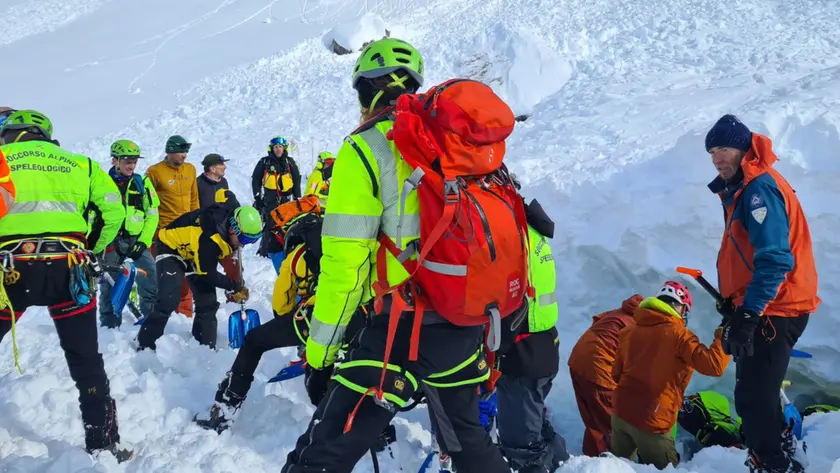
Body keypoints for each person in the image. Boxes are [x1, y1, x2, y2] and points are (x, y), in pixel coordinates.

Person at [281, 38, 511, 473]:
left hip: (397, 331)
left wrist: (320, 354)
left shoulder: (365, 148)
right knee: (470, 446)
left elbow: (345, 266)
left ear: (365, 91)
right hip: (464, 323)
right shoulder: (457, 145)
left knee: (322, 454)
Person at [0, 110, 133, 461]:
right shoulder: (82, 164)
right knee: (86, 359)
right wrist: (89, 247)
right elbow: (114, 213)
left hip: (10, 270)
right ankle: (102, 443)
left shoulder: (2, 159)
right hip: (69, 269)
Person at [705, 114, 819, 473]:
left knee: (754, 400)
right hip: (768, 304)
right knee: (757, 397)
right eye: (712, 151)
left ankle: (776, 464)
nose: (717, 158)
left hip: (776, 307)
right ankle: (776, 453)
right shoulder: (744, 187)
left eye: (724, 148)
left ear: (742, 149)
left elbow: (774, 260)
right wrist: (736, 300)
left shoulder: (758, 190)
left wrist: (750, 312)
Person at [195, 197, 367, 432]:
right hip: (361, 316)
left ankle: (227, 405)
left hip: (318, 319)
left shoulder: (296, 256)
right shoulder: (344, 242)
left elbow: (282, 304)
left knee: (254, 341)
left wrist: (289, 323)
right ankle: (378, 435)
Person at [610, 281, 729, 470]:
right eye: (685, 310)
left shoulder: (628, 332)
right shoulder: (680, 335)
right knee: (666, 470)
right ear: (679, 307)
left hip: (621, 416)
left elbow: (615, 374)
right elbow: (714, 365)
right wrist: (724, 334)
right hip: (652, 424)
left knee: (615, 468)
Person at [494, 197, 569, 473]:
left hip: (521, 354)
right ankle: (566, 467)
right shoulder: (531, 228)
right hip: (542, 347)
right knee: (535, 428)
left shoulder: (510, 233)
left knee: (521, 446)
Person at [135, 190, 260, 351]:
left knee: (208, 302)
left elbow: (224, 193)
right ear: (232, 229)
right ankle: (144, 343)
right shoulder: (210, 239)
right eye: (244, 239)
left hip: (194, 253)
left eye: (251, 241)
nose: (244, 245)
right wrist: (233, 286)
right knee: (168, 299)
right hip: (171, 247)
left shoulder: (234, 211)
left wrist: (227, 194)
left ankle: (205, 348)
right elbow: (207, 273)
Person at [89, 140, 160, 328]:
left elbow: (152, 215)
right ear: (115, 161)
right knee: (108, 287)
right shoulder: (102, 183)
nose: (132, 165)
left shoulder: (142, 183)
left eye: (134, 161)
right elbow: (92, 215)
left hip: (137, 240)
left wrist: (144, 242)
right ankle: (110, 327)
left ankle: (151, 323)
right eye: (127, 161)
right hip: (111, 241)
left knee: (150, 277)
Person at [567, 293, 643, 456]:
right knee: (616, 427)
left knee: (595, 420)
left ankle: (590, 462)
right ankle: (611, 465)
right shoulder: (652, 326)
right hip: (599, 369)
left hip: (579, 361)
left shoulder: (630, 312)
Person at [145, 135, 199, 318]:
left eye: (186, 151)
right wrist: (151, 233)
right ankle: (160, 313)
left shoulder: (191, 169)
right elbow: (147, 204)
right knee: (166, 276)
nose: (185, 155)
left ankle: (184, 314)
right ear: (170, 151)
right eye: (181, 151)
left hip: (187, 232)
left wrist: (198, 224)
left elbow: (194, 199)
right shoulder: (154, 172)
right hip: (164, 233)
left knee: (189, 274)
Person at [251, 135, 301, 270]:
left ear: (284, 148)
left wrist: (298, 198)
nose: (278, 150)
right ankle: (266, 250)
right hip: (270, 198)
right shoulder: (264, 162)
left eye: (280, 147)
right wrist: (257, 198)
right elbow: (256, 179)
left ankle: (287, 247)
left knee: (287, 223)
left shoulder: (289, 163)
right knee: (271, 224)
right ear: (271, 149)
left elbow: (296, 181)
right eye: (275, 147)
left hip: (286, 198)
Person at [196, 153, 238, 282]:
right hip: (205, 233)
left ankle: (234, 294)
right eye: (221, 165)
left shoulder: (224, 182)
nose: (224, 167)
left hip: (223, 232)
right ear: (212, 168)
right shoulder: (198, 183)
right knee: (206, 269)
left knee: (233, 266)